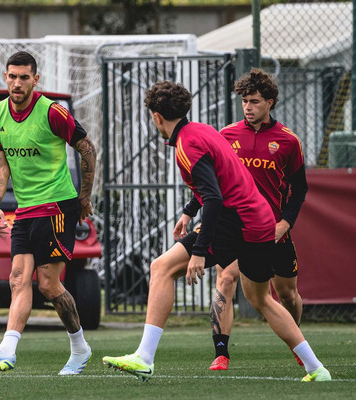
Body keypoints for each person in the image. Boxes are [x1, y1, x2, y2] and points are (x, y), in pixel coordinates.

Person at [102, 81, 330, 382]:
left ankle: (144, 357)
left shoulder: (187, 145)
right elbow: (220, 181)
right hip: (258, 220)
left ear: (157, 117)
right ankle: (317, 368)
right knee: (262, 300)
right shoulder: (205, 131)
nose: (248, 107)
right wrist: (188, 211)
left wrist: (199, 252)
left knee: (161, 268)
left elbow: (213, 198)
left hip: (236, 221)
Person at [0, 51, 96, 375]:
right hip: (24, 209)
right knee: (17, 278)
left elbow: (87, 149)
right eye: (12, 76)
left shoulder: (53, 112)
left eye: (24, 77)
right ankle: (7, 351)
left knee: (48, 286)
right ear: (5, 77)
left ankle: (80, 348)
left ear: (35, 80)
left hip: (57, 206)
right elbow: (1, 164)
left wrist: (84, 197)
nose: (17, 83)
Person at [204, 68, 307, 371]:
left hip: (274, 231)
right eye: (244, 101)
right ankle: (221, 353)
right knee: (226, 279)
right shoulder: (226, 135)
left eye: (254, 101)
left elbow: (300, 189)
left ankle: (296, 342)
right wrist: (191, 210)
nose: (248, 107)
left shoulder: (288, 141)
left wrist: (285, 224)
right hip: (235, 228)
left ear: (270, 103)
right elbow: (210, 181)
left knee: (287, 294)